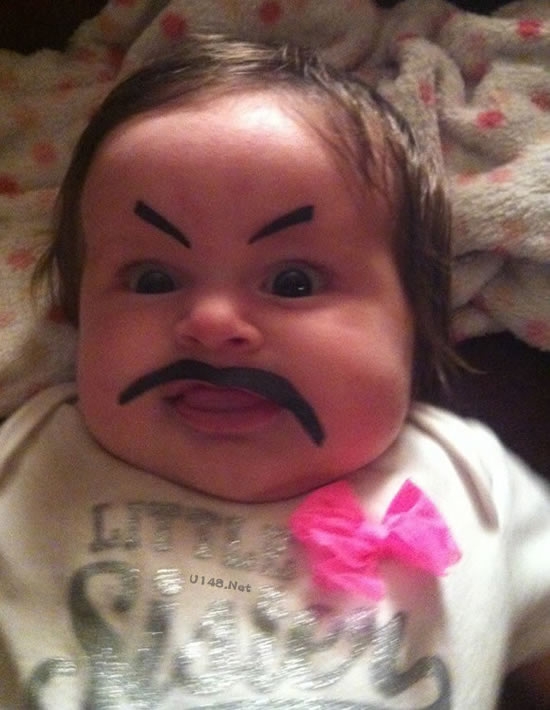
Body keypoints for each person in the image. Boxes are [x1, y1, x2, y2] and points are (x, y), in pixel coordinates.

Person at [0, 34, 548, 709]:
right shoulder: (25, 461)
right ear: (75, 313)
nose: (211, 322)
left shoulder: (470, 479)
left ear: (415, 320)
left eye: (293, 282)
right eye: (152, 278)